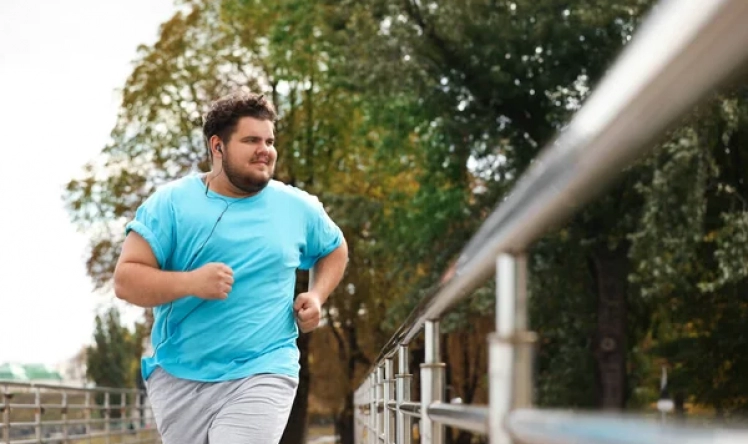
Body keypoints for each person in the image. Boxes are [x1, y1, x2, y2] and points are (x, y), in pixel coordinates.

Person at [113, 91, 348, 444]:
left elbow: (335, 248)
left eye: (269, 141)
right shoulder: (171, 204)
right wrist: (191, 283)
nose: (265, 149)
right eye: (251, 140)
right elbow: (126, 280)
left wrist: (316, 295)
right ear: (217, 146)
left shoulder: (296, 207)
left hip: (265, 365)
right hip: (180, 374)